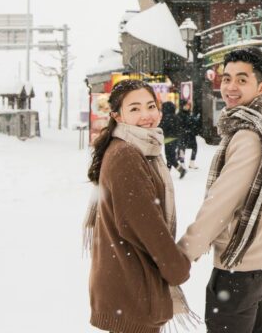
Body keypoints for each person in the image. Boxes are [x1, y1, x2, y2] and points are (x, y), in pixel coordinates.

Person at [178, 47, 262, 333]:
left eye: (242, 80)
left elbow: (222, 203)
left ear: (261, 87)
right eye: (226, 78)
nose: (230, 87)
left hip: (243, 270)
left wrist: (184, 253)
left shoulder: (249, 134)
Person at [83, 78, 196, 333]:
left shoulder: (140, 148)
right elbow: (144, 224)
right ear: (118, 116)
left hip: (128, 284)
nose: (146, 115)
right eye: (134, 109)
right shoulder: (126, 155)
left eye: (150, 106)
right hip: (131, 286)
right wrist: (176, 267)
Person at [159, 101, 187, 178]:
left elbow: (162, 127)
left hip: (169, 139)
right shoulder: (175, 116)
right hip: (175, 139)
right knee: (170, 156)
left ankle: (181, 170)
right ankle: (168, 172)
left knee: (170, 157)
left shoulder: (167, 117)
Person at [177, 99, 200, 170]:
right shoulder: (180, 114)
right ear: (182, 105)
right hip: (183, 134)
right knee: (182, 149)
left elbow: (192, 123)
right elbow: (180, 124)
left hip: (191, 134)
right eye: (186, 105)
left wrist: (195, 119)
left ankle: (191, 163)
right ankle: (182, 163)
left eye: (188, 105)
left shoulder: (190, 113)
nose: (188, 106)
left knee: (195, 148)